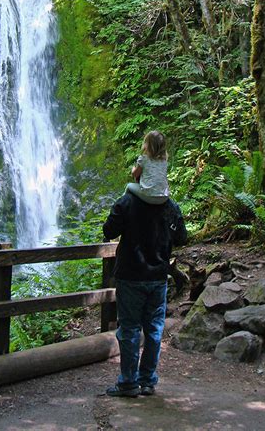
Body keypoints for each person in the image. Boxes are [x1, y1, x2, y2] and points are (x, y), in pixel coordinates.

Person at [103, 189, 187, 397]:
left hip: (130, 276)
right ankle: (147, 380)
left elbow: (109, 230)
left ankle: (129, 383)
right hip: (157, 277)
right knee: (154, 329)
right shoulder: (170, 206)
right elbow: (182, 237)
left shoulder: (127, 202)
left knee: (130, 329)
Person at [125, 130, 169, 205]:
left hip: (149, 196)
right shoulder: (164, 161)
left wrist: (133, 169)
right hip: (164, 197)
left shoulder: (144, 159)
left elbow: (135, 174)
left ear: (147, 145)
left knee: (129, 186)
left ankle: (124, 205)